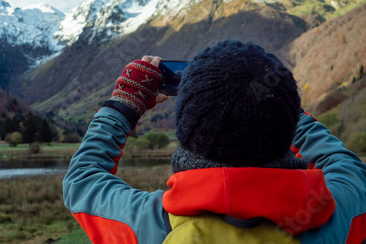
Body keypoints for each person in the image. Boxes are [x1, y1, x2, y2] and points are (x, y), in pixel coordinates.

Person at [63, 39, 366, 243]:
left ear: (188, 128)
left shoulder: (152, 225)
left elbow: (82, 182)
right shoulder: (335, 216)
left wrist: (123, 105)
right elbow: (346, 165)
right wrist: (280, 106)